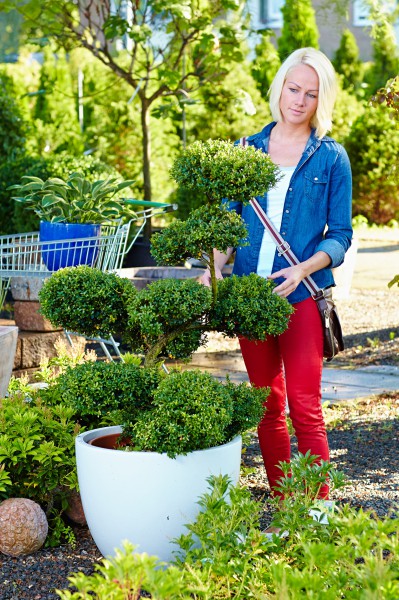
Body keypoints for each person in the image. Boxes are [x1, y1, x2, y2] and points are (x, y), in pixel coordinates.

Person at [200, 47, 353, 503]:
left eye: (311, 93)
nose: (299, 100)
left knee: (305, 407)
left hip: (302, 295)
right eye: (293, 88)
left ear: (320, 100)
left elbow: (341, 235)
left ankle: (320, 507)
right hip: (251, 296)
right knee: (267, 407)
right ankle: (287, 502)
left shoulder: (330, 158)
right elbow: (227, 226)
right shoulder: (245, 150)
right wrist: (213, 270)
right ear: (280, 87)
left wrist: (305, 267)